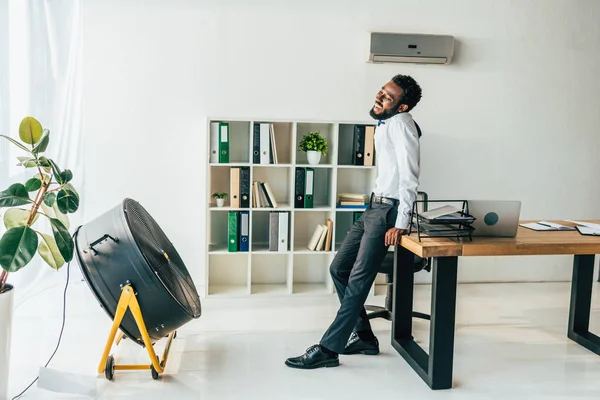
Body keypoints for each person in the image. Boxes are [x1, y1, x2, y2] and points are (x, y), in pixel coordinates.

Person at [285, 74, 422, 369]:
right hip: (374, 206)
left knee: (359, 279)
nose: (379, 97)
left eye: (387, 97)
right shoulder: (387, 122)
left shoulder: (403, 125)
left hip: (388, 211)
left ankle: (328, 349)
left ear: (402, 106)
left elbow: (410, 177)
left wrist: (401, 222)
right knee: (340, 269)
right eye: (381, 91)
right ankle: (365, 337)